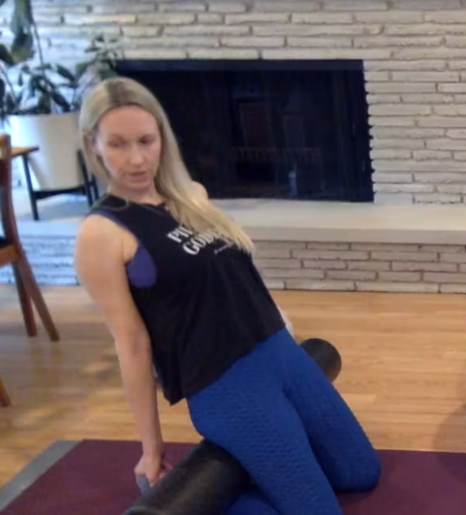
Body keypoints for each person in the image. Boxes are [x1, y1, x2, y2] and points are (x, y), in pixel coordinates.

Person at [74, 77, 381, 515]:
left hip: (279, 353)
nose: (137, 158)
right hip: (225, 385)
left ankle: (260, 464)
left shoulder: (191, 197)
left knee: (361, 472)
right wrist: (151, 447)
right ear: (94, 145)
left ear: (163, 136)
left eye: (146, 140)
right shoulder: (101, 233)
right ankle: (203, 503)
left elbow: (234, 278)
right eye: (119, 144)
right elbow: (132, 344)